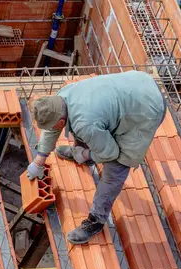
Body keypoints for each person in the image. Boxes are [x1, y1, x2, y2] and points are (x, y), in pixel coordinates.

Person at [26, 71, 166, 244]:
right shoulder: (61, 99)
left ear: (60, 122)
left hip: (145, 111)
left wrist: (85, 153)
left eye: (54, 126)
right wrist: (38, 160)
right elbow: (52, 129)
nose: (52, 129)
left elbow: (112, 153)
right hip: (136, 84)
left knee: (115, 167)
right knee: (87, 131)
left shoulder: (85, 123)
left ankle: (96, 221)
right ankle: (88, 152)